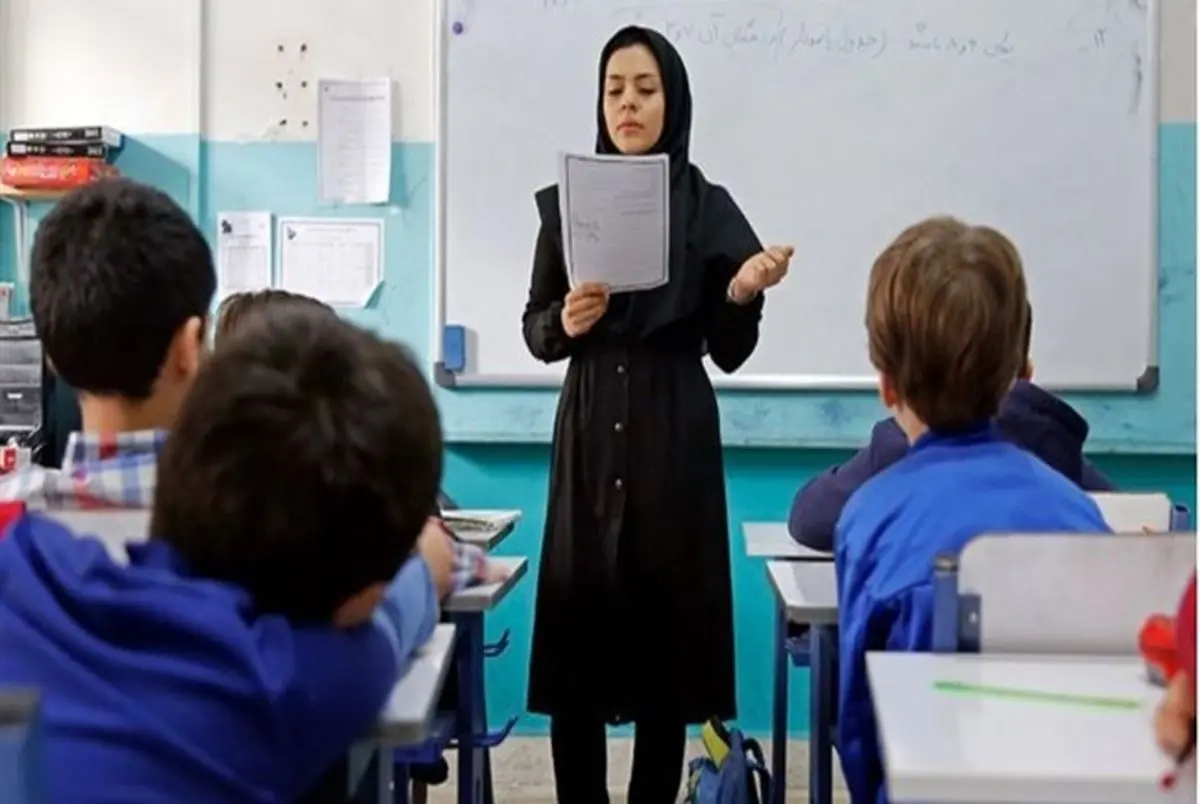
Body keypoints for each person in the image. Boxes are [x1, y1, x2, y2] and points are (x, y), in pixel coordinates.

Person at [0, 307, 450, 802]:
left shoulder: (27, 557)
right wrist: (425, 563)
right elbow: (393, 617)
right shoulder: (294, 685)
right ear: (361, 600)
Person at [521, 25, 793, 802]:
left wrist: (740, 293)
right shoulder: (568, 205)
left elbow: (729, 349)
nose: (628, 105)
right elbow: (535, 328)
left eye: (646, 89)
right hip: (589, 427)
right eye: (615, 90)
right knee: (578, 637)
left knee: (665, 651)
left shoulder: (706, 207)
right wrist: (564, 321)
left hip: (673, 431)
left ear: (673, 101)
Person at [835, 217, 1110, 804]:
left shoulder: (869, 519)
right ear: (1021, 375)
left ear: (886, 384)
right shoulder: (1081, 514)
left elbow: (859, 726)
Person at [788, 302, 1114, 552]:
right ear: (1025, 375)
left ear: (892, 386)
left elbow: (810, 519)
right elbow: (1124, 519)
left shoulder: (898, 449)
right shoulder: (1051, 449)